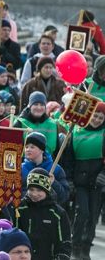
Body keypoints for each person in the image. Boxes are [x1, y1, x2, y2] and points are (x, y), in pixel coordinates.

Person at [64, 102, 105, 259]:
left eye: (101, 117)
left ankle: (86, 247)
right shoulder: (75, 130)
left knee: (93, 216)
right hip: (79, 181)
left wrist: (103, 174)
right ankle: (76, 245)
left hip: (97, 182)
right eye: (95, 115)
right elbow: (68, 159)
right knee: (82, 213)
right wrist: (69, 180)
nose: (97, 120)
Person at [15, 168, 71, 260]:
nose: (34, 194)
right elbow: (13, 235)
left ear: (47, 190)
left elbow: (64, 242)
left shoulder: (58, 214)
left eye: (39, 190)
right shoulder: (19, 208)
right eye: (31, 189)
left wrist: (61, 257)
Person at [20, 132, 70, 205]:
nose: (28, 150)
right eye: (26, 147)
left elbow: (64, 196)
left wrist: (54, 183)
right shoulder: (20, 169)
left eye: (32, 147)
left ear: (42, 150)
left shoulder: (55, 169)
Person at [14, 91, 65, 156]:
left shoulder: (52, 124)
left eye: (42, 105)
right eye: (35, 104)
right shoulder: (19, 123)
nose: (39, 107)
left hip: (48, 160)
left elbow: (54, 149)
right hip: (24, 160)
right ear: (30, 106)